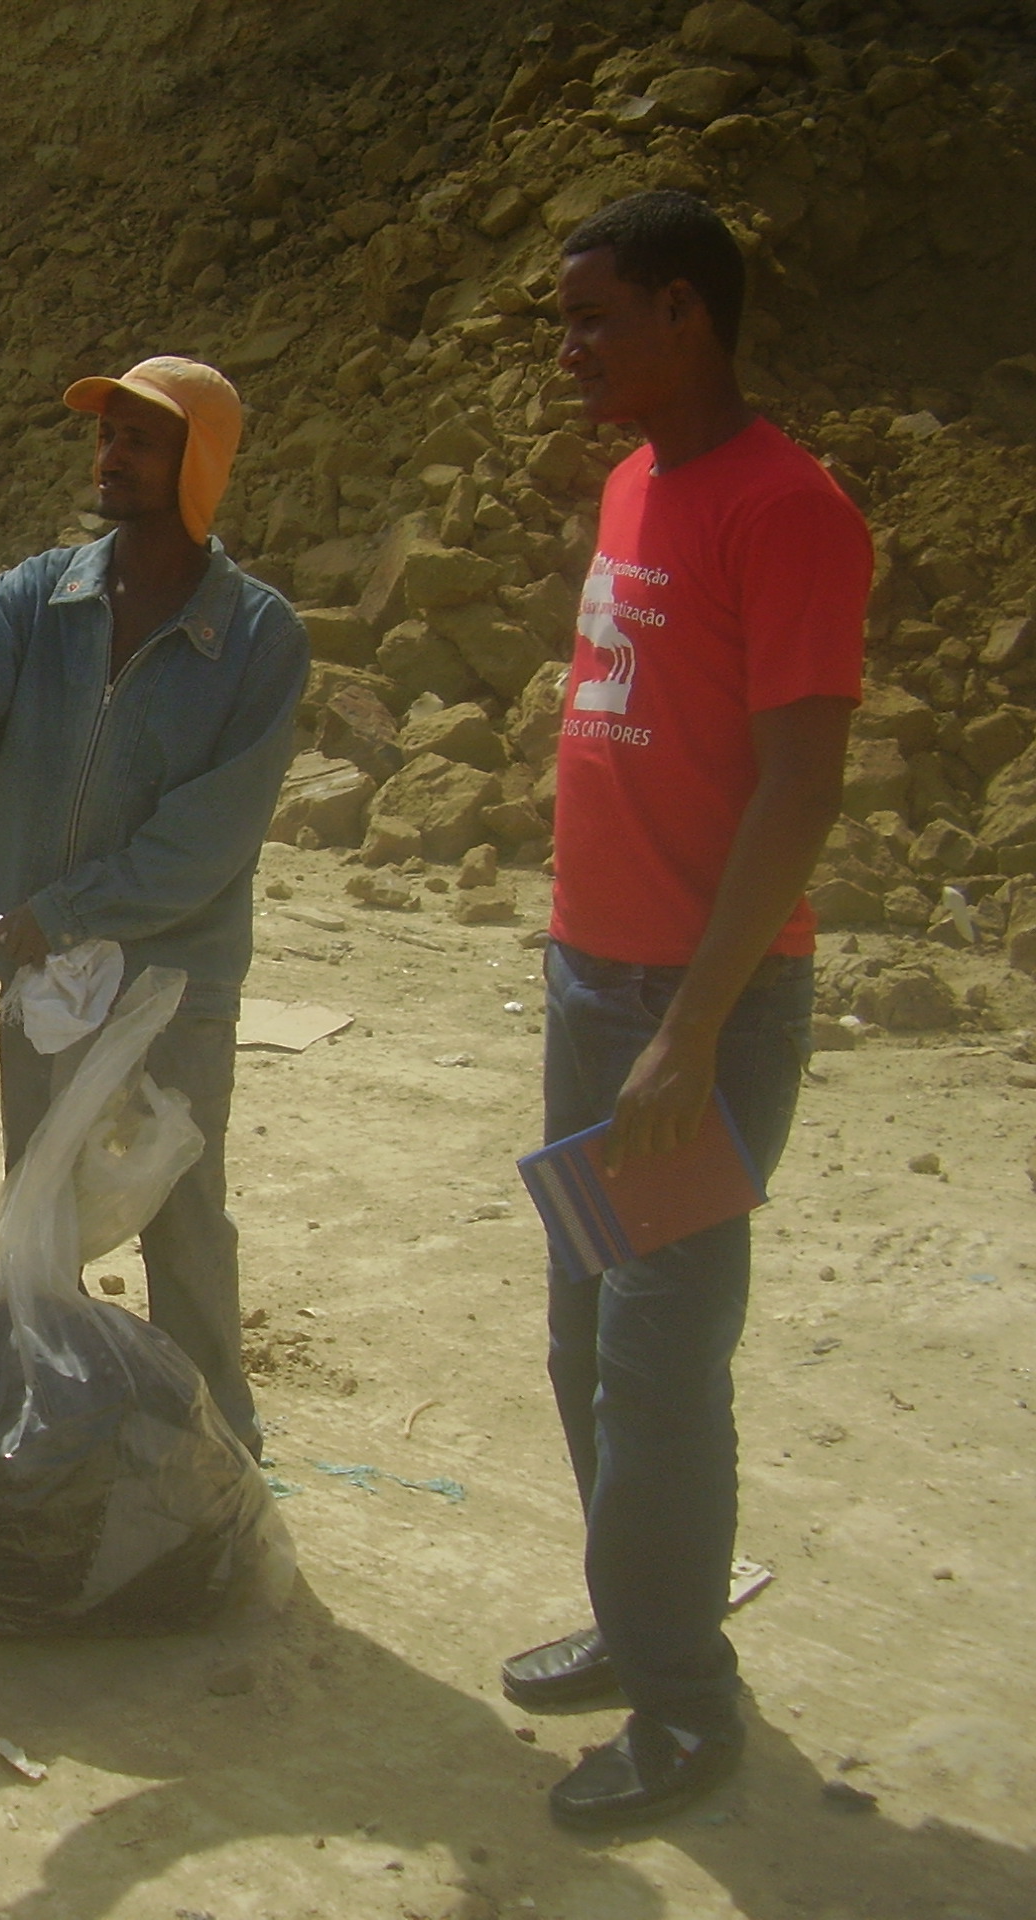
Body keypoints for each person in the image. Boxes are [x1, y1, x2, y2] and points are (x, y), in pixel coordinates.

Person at [500, 190, 869, 1829]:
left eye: (593, 319)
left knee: (656, 1358)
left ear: (683, 314)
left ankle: (685, 1707)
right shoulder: (635, 480)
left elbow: (803, 786)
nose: (569, 351)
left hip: (693, 1012)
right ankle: (643, 1616)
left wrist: (690, 1029)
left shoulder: (789, 510)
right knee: (589, 1331)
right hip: (596, 985)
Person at [0, 355, 307, 1458]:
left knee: (180, 1217)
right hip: (45, 976)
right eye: (106, 435)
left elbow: (208, 836)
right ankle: (51, 1446)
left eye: (140, 439)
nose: (109, 456)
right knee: (38, 1214)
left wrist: (65, 908)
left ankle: (216, 1459)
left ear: (199, 466)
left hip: (170, 983)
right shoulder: (41, 595)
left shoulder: (257, 639)